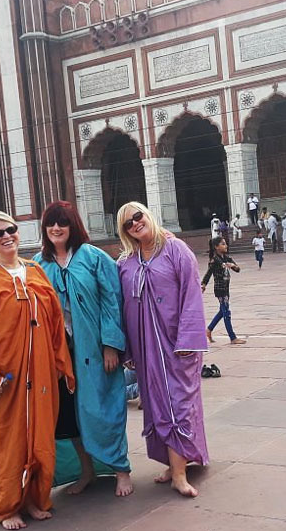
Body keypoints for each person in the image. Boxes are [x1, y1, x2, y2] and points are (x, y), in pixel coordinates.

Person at [0, 211, 74, 529]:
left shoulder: (35, 270)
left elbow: (55, 322)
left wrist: (59, 363)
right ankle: (8, 507)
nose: (7, 236)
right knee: (6, 444)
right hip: (5, 380)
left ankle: (37, 499)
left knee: (41, 438)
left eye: (10, 230)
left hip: (40, 373)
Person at [32, 201, 133, 498]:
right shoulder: (39, 264)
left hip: (95, 350)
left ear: (73, 225)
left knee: (104, 409)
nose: (56, 228)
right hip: (59, 353)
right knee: (70, 416)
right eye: (51, 223)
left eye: (62, 222)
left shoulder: (94, 258)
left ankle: (121, 469)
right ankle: (86, 470)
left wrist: (111, 345)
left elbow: (112, 302)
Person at [115, 202, 208, 498]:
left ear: (148, 214)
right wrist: (126, 349)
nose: (135, 224)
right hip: (146, 350)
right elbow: (119, 306)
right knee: (156, 406)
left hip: (176, 346)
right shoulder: (126, 263)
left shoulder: (176, 250)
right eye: (128, 223)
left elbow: (192, 296)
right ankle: (173, 464)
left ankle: (179, 474)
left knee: (179, 405)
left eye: (138, 217)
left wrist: (187, 341)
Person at [202, 236, 245, 345]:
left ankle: (209, 330)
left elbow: (238, 269)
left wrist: (233, 265)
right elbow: (208, 273)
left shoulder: (226, 258)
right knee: (226, 312)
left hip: (226, 289)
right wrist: (203, 284)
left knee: (222, 311)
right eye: (223, 244)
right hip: (220, 289)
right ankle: (232, 337)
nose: (225, 246)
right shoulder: (215, 260)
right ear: (216, 247)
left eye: (225, 243)